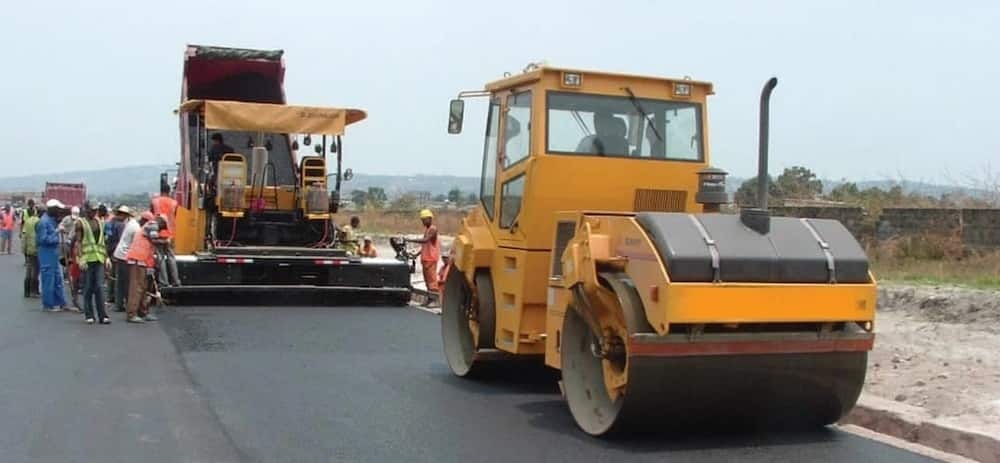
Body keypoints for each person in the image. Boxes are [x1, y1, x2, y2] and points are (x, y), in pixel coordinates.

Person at [77, 202, 110, 325]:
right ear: (86, 210)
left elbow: (102, 242)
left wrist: (107, 258)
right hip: (87, 259)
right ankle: (89, 315)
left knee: (100, 287)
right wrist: (81, 258)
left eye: (95, 210)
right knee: (88, 287)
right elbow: (79, 242)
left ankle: (103, 316)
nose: (94, 212)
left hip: (99, 258)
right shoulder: (81, 223)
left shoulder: (100, 223)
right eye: (91, 210)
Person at [125, 212, 159, 323]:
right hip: (137, 260)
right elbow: (154, 239)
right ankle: (132, 314)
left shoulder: (145, 228)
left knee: (143, 288)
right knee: (136, 288)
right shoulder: (151, 226)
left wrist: (150, 266)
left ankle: (142, 311)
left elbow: (150, 248)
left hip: (142, 260)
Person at [37, 200, 69, 312]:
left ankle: (61, 303)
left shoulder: (52, 220)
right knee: (48, 279)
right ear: (51, 209)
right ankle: (48, 305)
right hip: (46, 253)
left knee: (58, 279)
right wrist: (56, 231)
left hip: (54, 252)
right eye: (57, 209)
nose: (59, 212)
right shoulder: (43, 222)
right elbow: (43, 240)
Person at [406, 209, 440, 307]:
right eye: (422, 220)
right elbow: (426, 245)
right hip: (425, 258)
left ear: (430, 219)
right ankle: (430, 299)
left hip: (431, 258)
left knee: (432, 280)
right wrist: (417, 254)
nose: (423, 222)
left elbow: (425, 241)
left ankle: (436, 300)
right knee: (427, 281)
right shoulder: (427, 230)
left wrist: (410, 239)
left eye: (424, 219)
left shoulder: (433, 229)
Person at [151, 184, 180, 286]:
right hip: (170, 233)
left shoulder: (155, 201)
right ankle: (176, 281)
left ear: (161, 191)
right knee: (171, 257)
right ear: (169, 191)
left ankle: (164, 282)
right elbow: (174, 216)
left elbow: (152, 215)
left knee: (160, 257)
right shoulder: (174, 203)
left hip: (158, 232)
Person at [113, 206, 139, 313]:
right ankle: (127, 304)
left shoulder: (127, 224)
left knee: (120, 281)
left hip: (120, 254)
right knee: (127, 282)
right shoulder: (134, 227)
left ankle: (119, 304)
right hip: (125, 255)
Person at [59, 206, 83, 311]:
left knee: (76, 273)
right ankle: (67, 276)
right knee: (69, 264)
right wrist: (62, 229)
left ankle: (77, 298)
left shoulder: (80, 222)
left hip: (77, 247)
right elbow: (61, 227)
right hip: (67, 242)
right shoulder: (67, 219)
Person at [104, 205, 127, 306]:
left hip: (109, 250)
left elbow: (106, 237)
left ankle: (110, 296)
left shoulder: (109, 223)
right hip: (116, 251)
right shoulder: (121, 225)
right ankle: (118, 299)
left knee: (111, 275)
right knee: (118, 276)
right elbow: (122, 240)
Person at [21, 206, 41, 298]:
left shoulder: (28, 222)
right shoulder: (39, 221)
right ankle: (34, 291)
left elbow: (25, 236)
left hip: (29, 248)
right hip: (36, 249)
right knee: (35, 271)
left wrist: (23, 249)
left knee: (29, 270)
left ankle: (27, 291)